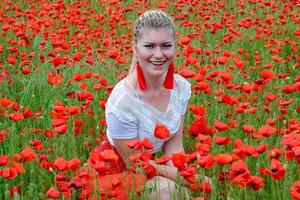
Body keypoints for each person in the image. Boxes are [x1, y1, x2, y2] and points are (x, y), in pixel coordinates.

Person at [85, 10, 192, 200]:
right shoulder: (123, 102)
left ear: (175, 47)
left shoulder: (181, 88)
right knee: (171, 192)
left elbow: (174, 147)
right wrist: (187, 179)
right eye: (149, 46)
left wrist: (186, 177)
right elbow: (135, 164)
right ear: (135, 48)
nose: (158, 54)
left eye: (166, 46)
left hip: (151, 165)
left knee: (187, 193)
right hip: (115, 171)